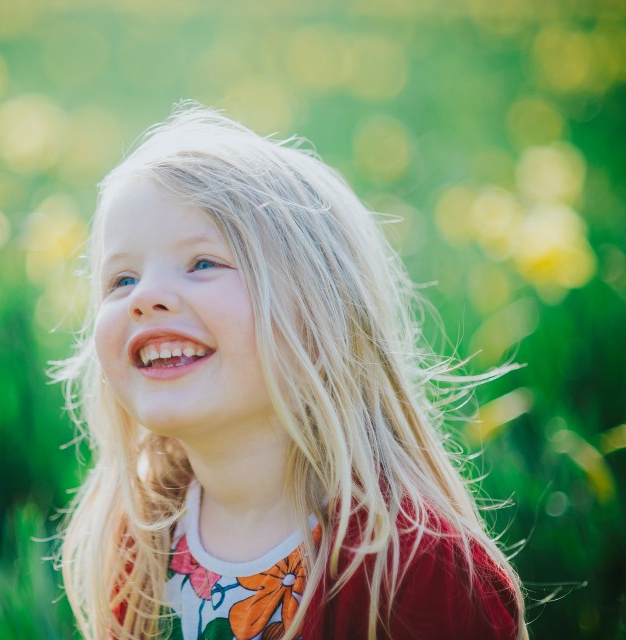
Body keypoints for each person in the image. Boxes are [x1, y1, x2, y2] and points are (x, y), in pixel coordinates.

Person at [54, 102, 527, 640]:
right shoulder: (138, 537)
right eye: (121, 280)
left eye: (203, 263)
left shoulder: (417, 572)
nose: (146, 298)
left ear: (319, 313)